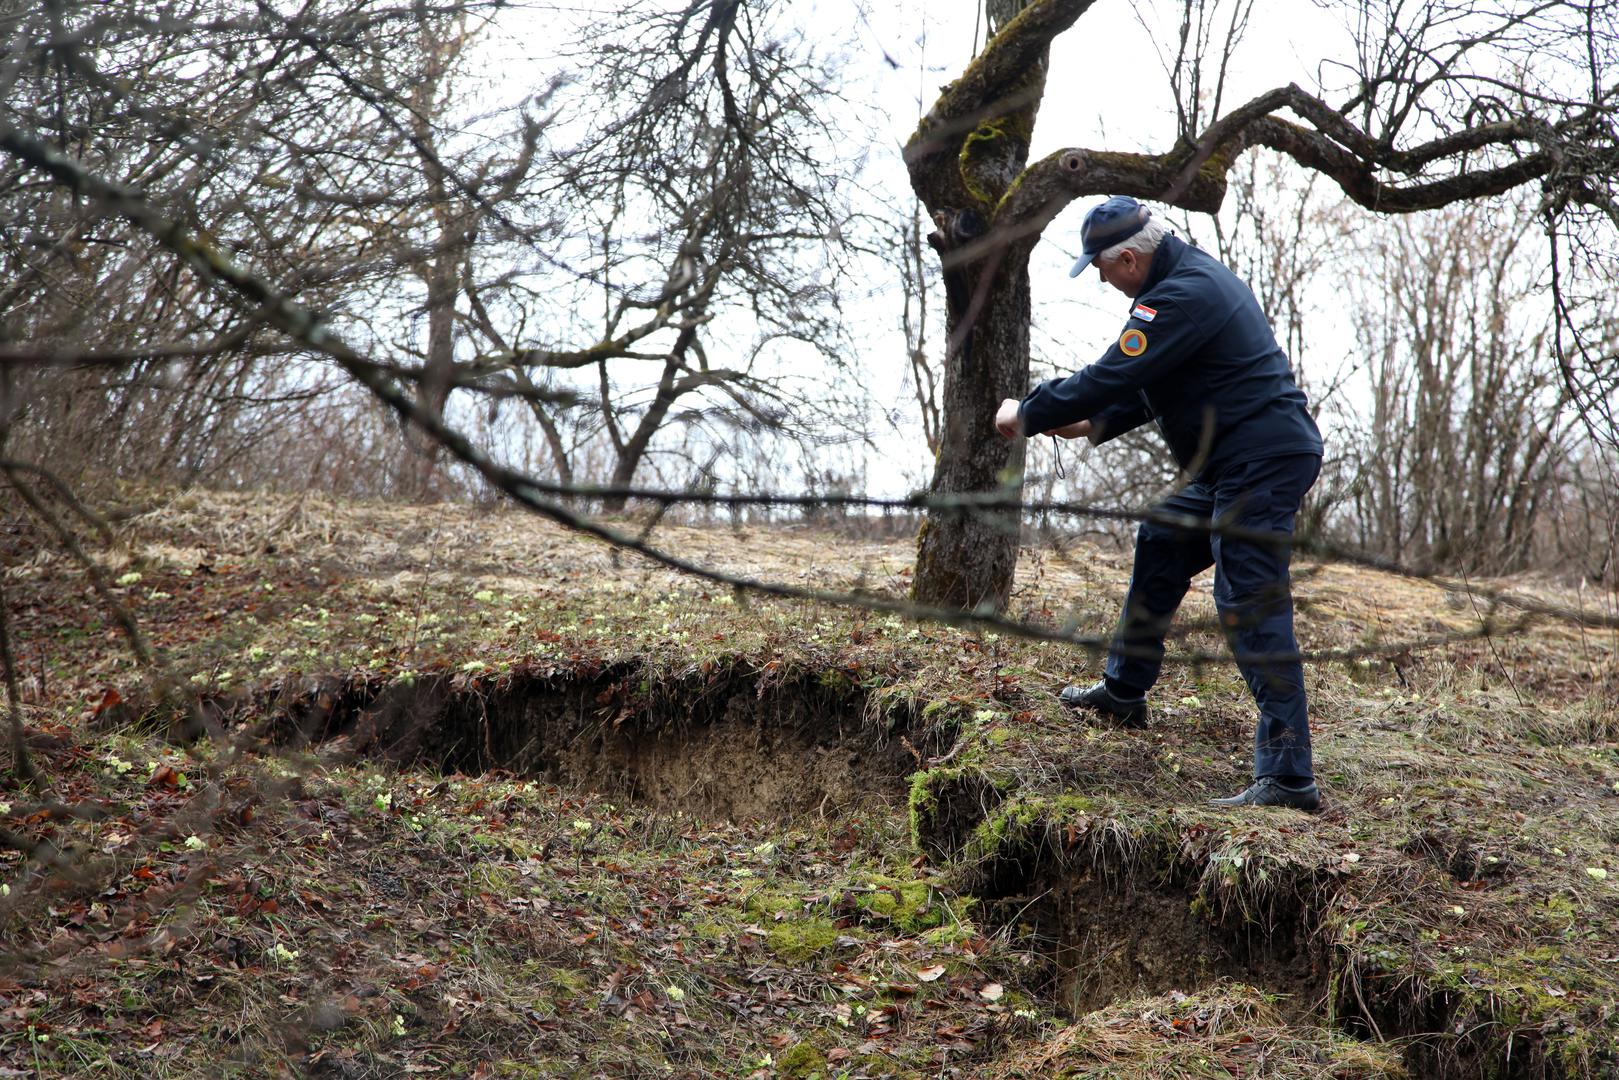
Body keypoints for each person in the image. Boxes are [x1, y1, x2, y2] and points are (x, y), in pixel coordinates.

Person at [994, 195, 1324, 812]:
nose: (1099, 277)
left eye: (1101, 266)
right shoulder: (1184, 280)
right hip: (1236, 460)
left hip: (1263, 459)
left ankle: (1287, 775)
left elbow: (1115, 371)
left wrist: (1032, 411)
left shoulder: (1179, 295)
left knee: (1247, 598)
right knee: (1164, 536)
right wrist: (1093, 423)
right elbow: (1155, 385)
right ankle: (1124, 691)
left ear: (1128, 259)